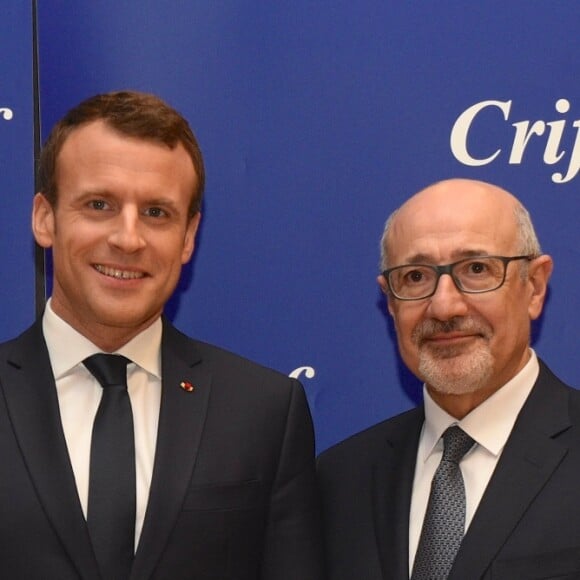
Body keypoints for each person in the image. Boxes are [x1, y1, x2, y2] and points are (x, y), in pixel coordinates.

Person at [0, 90, 324, 580]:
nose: (128, 239)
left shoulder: (264, 411)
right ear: (45, 218)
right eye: (99, 204)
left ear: (189, 236)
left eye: (156, 213)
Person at [317, 178, 580, 580]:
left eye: (476, 269)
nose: (443, 306)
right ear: (389, 301)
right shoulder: (338, 479)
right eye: (416, 277)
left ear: (534, 286)